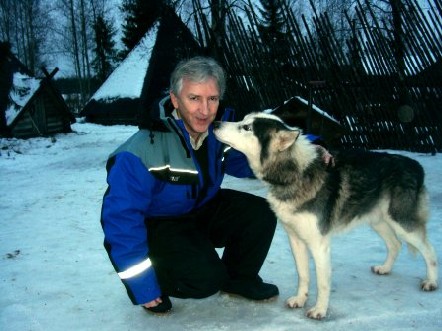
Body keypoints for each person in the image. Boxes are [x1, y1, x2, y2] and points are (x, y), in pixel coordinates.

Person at [100, 56, 279, 314]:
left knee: (261, 212)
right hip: (160, 224)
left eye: (212, 99)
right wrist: (143, 286)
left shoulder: (218, 133)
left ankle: (240, 278)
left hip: (202, 208)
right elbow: (120, 220)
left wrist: (306, 152)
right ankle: (162, 276)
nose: (205, 110)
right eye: (194, 98)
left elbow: (254, 158)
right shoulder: (139, 152)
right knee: (205, 281)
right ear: (175, 100)